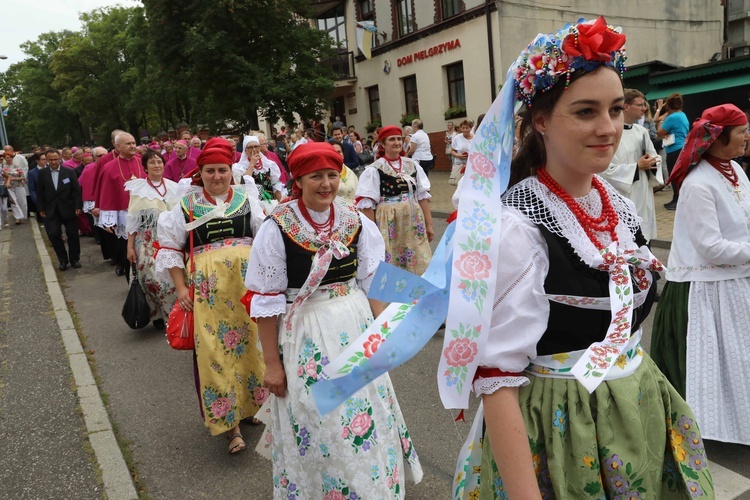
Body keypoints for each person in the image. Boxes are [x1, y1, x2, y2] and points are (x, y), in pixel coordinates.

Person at [441, 17, 713, 498]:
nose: (609, 127)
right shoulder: (517, 229)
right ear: (540, 121)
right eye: (586, 111)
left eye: (615, 109)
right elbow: (497, 379)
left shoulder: (618, 205)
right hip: (562, 430)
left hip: (638, 408)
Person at [244, 141, 423, 497]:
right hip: (307, 334)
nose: (326, 184)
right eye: (316, 177)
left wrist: (383, 334)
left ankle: (373, 489)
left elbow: (371, 280)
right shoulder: (276, 227)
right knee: (323, 423)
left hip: (355, 324)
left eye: (331, 175)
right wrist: (271, 364)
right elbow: (267, 301)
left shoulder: (354, 220)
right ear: (299, 180)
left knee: (367, 415)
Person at [156, 137, 267, 455]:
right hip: (206, 292)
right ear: (199, 173)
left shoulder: (248, 199)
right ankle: (229, 424)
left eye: (222, 170)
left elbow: (264, 240)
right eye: (209, 171)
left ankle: (252, 406)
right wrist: (180, 289)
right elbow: (170, 247)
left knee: (252, 347)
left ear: (231, 171)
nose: (217, 176)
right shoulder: (185, 205)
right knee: (214, 354)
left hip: (246, 287)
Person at [651, 104, 750, 446]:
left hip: (736, 280)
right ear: (720, 137)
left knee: (738, 358)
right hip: (702, 288)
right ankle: (703, 428)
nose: (747, 137)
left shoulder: (735, 170)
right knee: (711, 362)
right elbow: (711, 247)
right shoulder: (698, 183)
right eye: (742, 132)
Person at [355, 125, 434, 275]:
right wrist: (372, 235)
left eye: (399, 139)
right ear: (382, 145)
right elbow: (367, 205)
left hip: (413, 219)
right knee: (391, 262)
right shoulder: (375, 169)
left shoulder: (412, 165)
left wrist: (429, 224)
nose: (397, 142)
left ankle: (416, 294)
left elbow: (422, 197)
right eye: (392, 139)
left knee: (418, 259)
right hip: (388, 221)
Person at [125, 150, 183, 329]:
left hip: (169, 238)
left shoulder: (174, 187)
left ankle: (172, 314)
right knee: (150, 279)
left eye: (159, 161)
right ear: (145, 167)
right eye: (152, 162)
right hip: (147, 241)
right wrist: (130, 246)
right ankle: (156, 314)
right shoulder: (138, 189)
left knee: (171, 279)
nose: (157, 165)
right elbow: (133, 220)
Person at [601, 88, 663, 242]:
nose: (644, 108)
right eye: (640, 105)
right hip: (622, 194)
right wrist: (636, 167)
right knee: (626, 241)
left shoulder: (642, 132)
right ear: (626, 107)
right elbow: (604, 170)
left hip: (642, 190)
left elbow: (655, 155)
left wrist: (652, 161)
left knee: (644, 240)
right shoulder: (610, 132)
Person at [96, 133, 145, 278]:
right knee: (127, 251)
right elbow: (107, 194)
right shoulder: (109, 167)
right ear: (117, 147)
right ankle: (132, 283)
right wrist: (108, 220)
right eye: (128, 144)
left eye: (134, 143)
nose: (132, 146)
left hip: (145, 212)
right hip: (125, 215)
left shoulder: (143, 162)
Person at [36, 150, 82, 270]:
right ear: (46, 160)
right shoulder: (42, 173)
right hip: (51, 209)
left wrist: (78, 206)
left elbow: (76, 191)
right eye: (50, 159)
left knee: (72, 234)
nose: (53, 162)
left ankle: (74, 259)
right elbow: (40, 192)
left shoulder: (69, 172)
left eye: (55, 159)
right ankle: (62, 260)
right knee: (54, 233)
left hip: (69, 207)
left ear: (60, 158)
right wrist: (40, 208)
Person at [655, 93, 690, 210]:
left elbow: (660, 132)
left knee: (674, 176)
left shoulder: (672, 117)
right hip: (682, 147)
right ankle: (678, 198)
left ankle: (677, 200)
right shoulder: (682, 115)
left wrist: (662, 118)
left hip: (674, 149)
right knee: (680, 175)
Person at [232, 136, 283, 208]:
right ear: (245, 150)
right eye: (250, 147)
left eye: (256, 146)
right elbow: (243, 185)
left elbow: (276, 187)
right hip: (253, 206)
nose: (254, 149)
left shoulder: (269, 165)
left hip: (271, 204)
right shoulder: (239, 168)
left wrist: (281, 204)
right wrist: (252, 164)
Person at [2, 150, 28, 224]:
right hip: (9, 186)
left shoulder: (17, 167)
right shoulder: (3, 168)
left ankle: (23, 217)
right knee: (14, 202)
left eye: (10, 157)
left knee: (22, 202)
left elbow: (23, 177)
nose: (8, 159)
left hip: (19, 185)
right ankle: (17, 217)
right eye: (6, 157)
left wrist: (14, 178)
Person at [449, 119, 474, 185]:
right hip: (459, 165)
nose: (465, 130)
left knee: (470, 185)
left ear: (471, 128)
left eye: (467, 128)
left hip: (471, 166)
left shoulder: (475, 138)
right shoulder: (457, 138)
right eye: (463, 128)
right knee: (459, 185)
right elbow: (452, 151)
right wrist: (458, 155)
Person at [27, 151, 46, 223]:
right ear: (37, 161)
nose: (45, 161)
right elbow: (32, 189)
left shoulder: (51, 169)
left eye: (46, 159)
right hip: (41, 200)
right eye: (43, 159)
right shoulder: (32, 173)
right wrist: (37, 201)